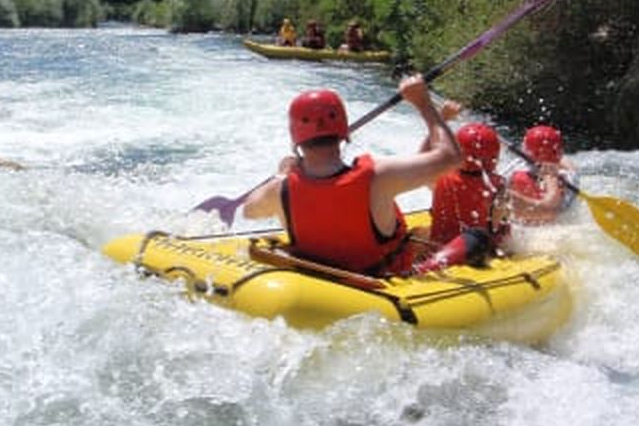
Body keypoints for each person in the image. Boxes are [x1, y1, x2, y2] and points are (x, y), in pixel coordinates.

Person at [242, 75, 462, 276]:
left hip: (316, 279)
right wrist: (423, 103)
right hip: (379, 280)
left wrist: (281, 174)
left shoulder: (279, 188)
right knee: (442, 236)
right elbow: (450, 157)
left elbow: (248, 211)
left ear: (295, 138)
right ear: (343, 133)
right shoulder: (379, 176)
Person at [415, 122, 510, 272]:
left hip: (437, 248)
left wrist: (441, 120)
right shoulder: (499, 185)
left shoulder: (442, 177)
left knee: (418, 233)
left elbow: (421, 159)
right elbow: (501, 227)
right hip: (474, 253)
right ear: (494, 157)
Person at [508, 125, 576, 225]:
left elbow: (551, 210)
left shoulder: (565, 178)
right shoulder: (571, 175)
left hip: (531, 221)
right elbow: (569, 165)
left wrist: (550, 176)